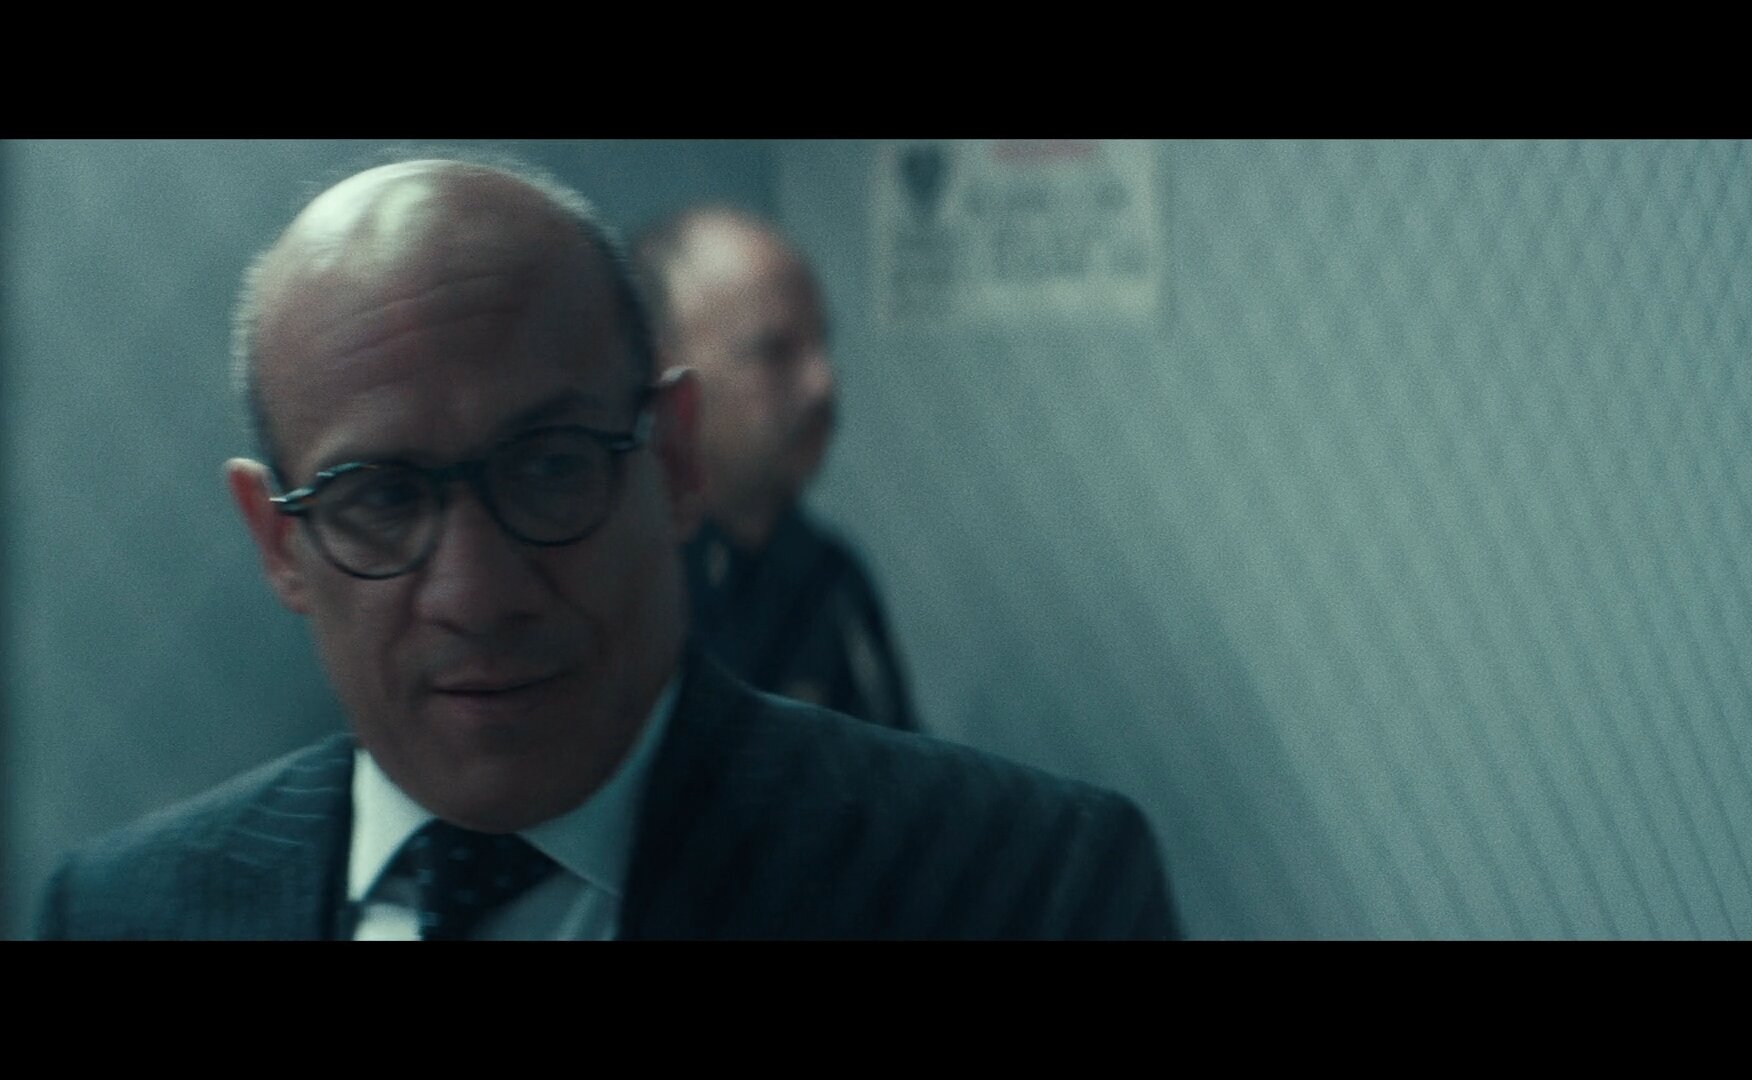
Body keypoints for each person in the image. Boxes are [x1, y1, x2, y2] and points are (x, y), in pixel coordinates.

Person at [35, 157, 1180, 940]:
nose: (477, 591)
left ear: (673, 461)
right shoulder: (120, 913)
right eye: (379, 496)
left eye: (548, 466)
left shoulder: (1025, 887)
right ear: (279, 541)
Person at [632, 208, 916, 731]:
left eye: (822, 343)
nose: (823, 384)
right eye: (775, 352)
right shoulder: (617, 584)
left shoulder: (833, 577)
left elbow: (893, 771)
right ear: (664, 375)